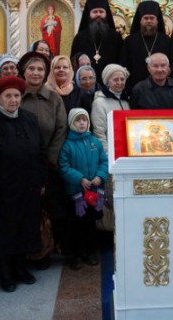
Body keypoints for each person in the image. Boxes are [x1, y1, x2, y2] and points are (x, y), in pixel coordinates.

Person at [0, 76, 48, 292]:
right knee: (5, 232)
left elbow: (41, 152)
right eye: (8, 96)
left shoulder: (29, 119)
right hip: (3, 191)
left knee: (26, 228)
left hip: (29, 187)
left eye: (16, 95)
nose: (13, 100)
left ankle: (21, 268)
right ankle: (6, 273)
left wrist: (41, 180)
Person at [17, 51, 68, 264]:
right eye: (32, 69)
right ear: (24, 72)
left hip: (49, 164)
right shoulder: (16, 96)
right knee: (28, 210)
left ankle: (49, 248)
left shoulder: (54, 98)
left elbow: (61, 128)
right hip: (22, 164)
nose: (36, 73)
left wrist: (50, 158)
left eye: (40, 69)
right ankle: (30, 251)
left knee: (52, 208)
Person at [59, 108, 109, 270]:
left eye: (84, 120)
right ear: (71, 123)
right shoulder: (67, 145)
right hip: (77, 194)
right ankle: (76, 255)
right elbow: (64, 167)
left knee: (90, 224)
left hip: (93, 192)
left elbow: (104, 161)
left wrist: (100, 176)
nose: (81, 123)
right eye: (78, 120)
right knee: (76, 225)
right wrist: (80, 178)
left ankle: (91, 252)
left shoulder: (95, 142)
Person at [71, 0, 124, 83]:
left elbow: (122, 62)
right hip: (86, 84)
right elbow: (73, 63)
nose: (98, 14)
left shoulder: (116, 37)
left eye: (101, 11)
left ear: (106, 13)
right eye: (95, 12)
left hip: (111, 84)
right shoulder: (80, 37)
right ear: (89, 14)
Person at [119, 0, 172, 91]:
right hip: (135, 88)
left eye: (152, 18)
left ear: (157, 21)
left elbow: (172, 64)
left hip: (162, 88)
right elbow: (124, 65)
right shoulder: (130, 40)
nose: (149, 21)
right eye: (146, 18)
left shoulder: (166, 40)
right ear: (140, 20)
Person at [91, 64, 130, 151]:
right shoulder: (99, 102)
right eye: (115, 79)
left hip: (127, 150)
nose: (119, 82)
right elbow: (99, 133)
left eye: (122, 79)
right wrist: (108, 154)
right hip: (110, 151)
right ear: (107, 82)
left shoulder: (126, 100)